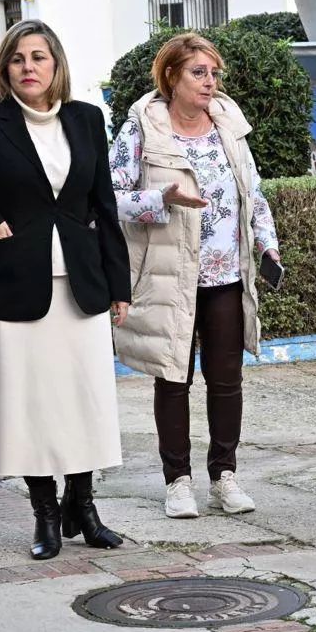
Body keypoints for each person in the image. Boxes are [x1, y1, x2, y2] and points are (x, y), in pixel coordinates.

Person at [0, 19, 131, 561]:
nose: (29, 68)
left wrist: (119, 283)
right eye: (18, 59)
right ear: (5, 69)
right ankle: (44, 513)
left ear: (57, 65)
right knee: (30, 405)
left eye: (39, 57)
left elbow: (104, 206)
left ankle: (82, 508)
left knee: (83, 401)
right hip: (13, 286)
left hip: (80, 285)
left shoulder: (88, 120)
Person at [110, 32, 281, 521]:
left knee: (227, 381)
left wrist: (266, 242)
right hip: (170, 276)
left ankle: (224, 476)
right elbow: (110, 196)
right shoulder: (142, 127)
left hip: (226, 273)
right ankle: (177, 481)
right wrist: (160, 200)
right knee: (173, 379)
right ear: (171, 77)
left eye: (213, 73)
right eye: (198, 73)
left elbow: (255, 194)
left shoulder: (228, 124)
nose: (210, 83)